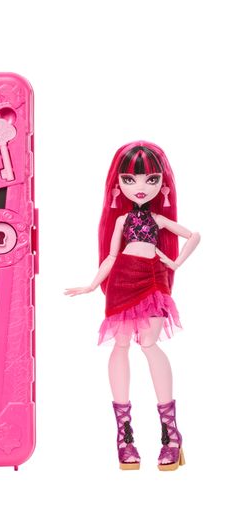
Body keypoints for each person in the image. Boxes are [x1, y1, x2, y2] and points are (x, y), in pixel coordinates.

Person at [65, 141, 200, 471]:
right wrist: (91, 285)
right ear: (118, 184)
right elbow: (111, 256)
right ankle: (124, 435)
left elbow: (193, 235)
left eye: (151, 179)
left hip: (152, 279)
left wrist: (175, 263)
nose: (140, 186)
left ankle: (171, 433)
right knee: (121, 344)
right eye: (130, 179)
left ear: (162, 184)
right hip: (123, 280)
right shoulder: (122, 220)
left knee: (149, 343)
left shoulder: (158, 219)